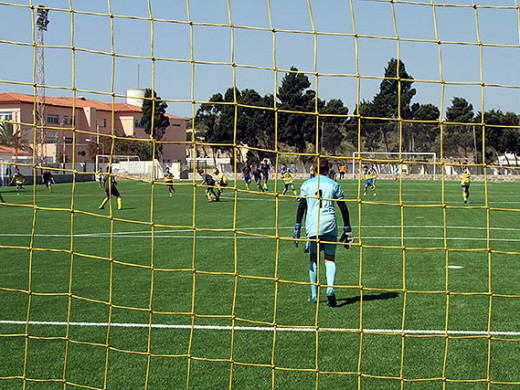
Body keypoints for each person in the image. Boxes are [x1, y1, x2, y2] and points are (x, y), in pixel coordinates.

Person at [293, 157, 354, 307]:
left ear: (313, 169)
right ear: (328, 169)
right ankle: (330, 289)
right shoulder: (334, 184)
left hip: (313, 224)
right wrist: (347, 230)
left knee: (314, 258)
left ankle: (314, 295)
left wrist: (297, 227)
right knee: (330, 259)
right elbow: (343, 208)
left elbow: (302, 207)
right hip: (330, 223)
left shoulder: (306, 184)